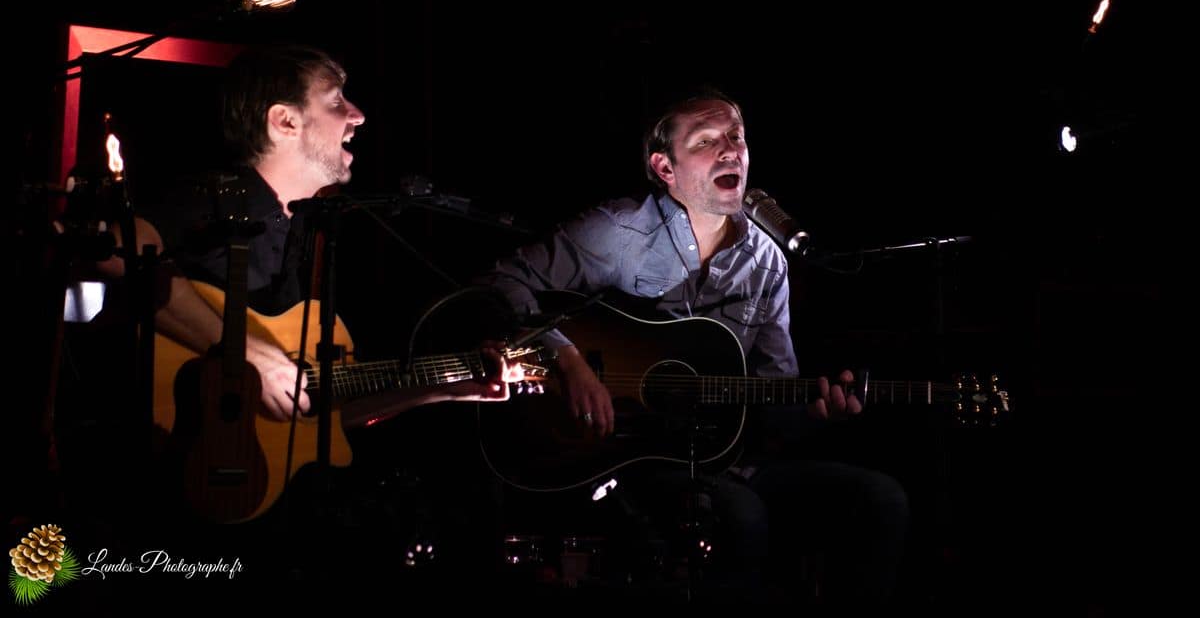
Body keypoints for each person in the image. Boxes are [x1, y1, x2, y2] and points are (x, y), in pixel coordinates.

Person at [477, 87, 908, 602]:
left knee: (881, 499)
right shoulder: (618, 231)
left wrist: (815, 411)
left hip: (728, 464)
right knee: (740, 518)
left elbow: (771, 395)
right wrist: (568, 359)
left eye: (736, 137)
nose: (730, 150)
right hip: (631, 459)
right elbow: (502, 283)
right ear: (665, 167)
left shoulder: (768, 261)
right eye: (706, 141)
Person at [102, 43, 521, 425]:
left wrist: (443, 389)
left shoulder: (307, 228)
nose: (357, 115)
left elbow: (315, 422)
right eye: (336, 101)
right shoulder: (220, 194)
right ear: (285, 121)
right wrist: (244, 354)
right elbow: (116, 249)